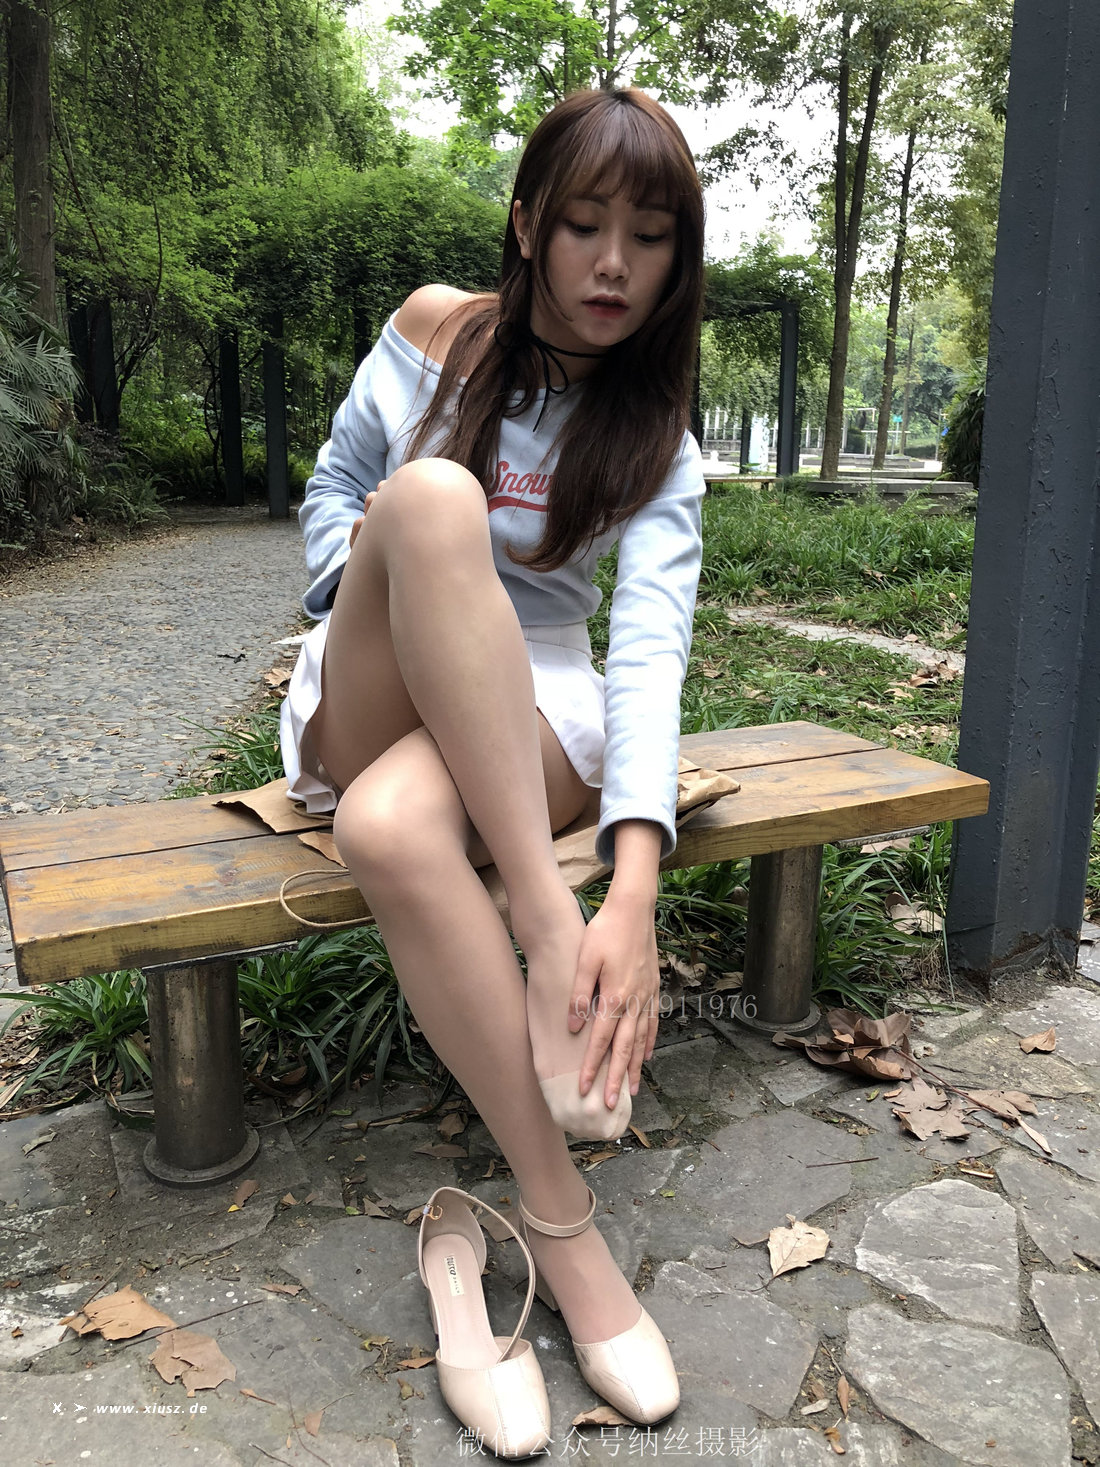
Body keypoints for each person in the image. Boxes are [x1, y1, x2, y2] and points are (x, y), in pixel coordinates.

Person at [280, 87, 705, 1458]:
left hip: (538, 707)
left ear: (677, 260)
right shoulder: (430, 334)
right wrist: (376, 572)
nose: (613, 264)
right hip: (377, 671)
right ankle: (539, 918)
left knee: (392, 827)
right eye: (583, 225)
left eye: (649, 237)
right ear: (527, 226)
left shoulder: (659, 443)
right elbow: (336, 483)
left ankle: (558, 1225)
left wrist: (632, 890)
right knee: (429, 499)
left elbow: (647, 662)